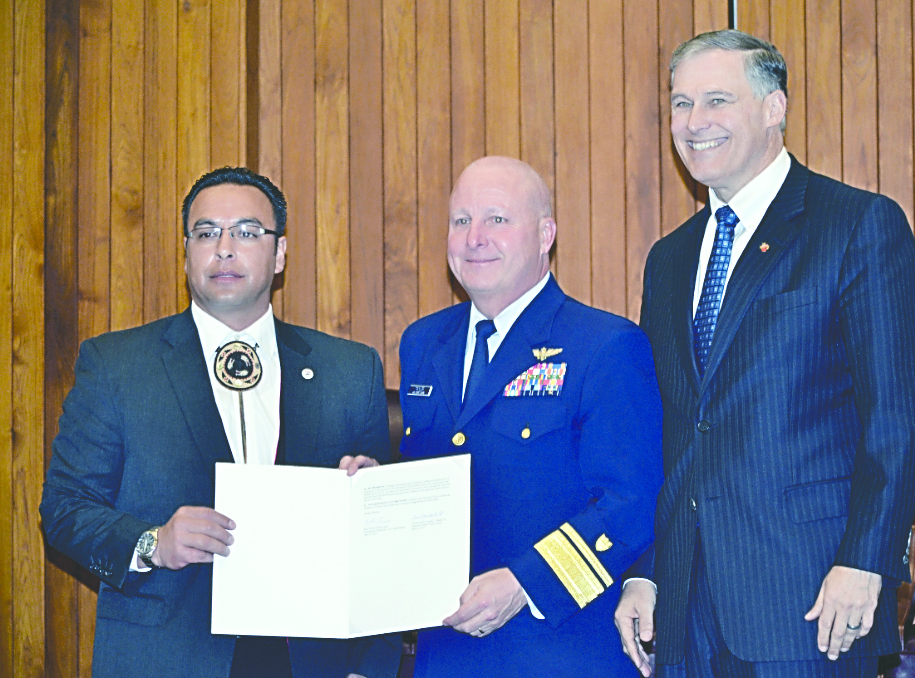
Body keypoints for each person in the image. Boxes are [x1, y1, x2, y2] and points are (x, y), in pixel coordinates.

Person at [614, 30, 915, 678]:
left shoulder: (855, 225)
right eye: (681, 104)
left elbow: (897, 412)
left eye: (716, 101)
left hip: (811, 597)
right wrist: (644, 573)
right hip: (685, 606)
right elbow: (671, 429)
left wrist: (867, 560)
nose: (694, 123)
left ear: (773, 108)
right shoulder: (669, 260)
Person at [40, 167, 401, 678]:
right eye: (207, 233)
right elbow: (63, 509)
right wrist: (154, 543)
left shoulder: (349, 372)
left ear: (279, 255)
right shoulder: (118, 365)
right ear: (186, 252)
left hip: (314, 662)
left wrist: (371, 667)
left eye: (247, 232)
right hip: (168, 658)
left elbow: (382, 547)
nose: (225, 248)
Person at [397, 156, 663, 677]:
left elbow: (631, 507)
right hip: (444, 651)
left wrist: (525, 585)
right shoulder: (423, 343)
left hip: (559, 647)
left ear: (546, 235)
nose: (475, 238)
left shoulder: (605, 346)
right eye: (460, 221)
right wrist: (371, 481)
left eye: (497, 219)